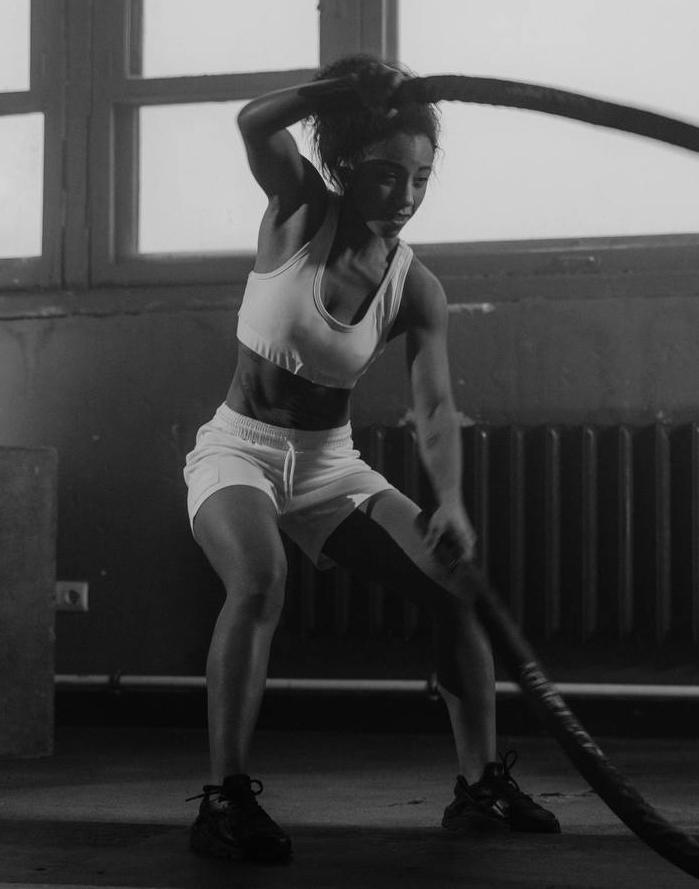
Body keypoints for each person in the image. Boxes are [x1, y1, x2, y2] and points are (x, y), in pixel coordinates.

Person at [181, 54, 560, 863]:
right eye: (388, 178)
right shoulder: (296, 210)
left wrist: (450, 502)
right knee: (258, 581)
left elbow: (431, 406)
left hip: (329, 464)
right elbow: (254, 121)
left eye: (421, 178)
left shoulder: (416, 288)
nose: (407, 196)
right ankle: (226, 800)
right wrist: (342, 94)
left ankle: (480, 785)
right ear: (349, 169)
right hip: (238, 451)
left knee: (450, 587)